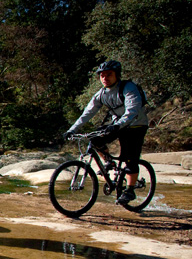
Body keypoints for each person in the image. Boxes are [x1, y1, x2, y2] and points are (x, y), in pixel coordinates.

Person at [64, 60, 149, 205]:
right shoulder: (101, 94)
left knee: (130, 158)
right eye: (102, 75)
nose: (105, 78)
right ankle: (109, 162)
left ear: (117, 75)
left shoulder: (128, 88)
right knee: (96, 139)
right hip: (118, 124)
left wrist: (117, 125)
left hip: (136, 125)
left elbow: (132, 110)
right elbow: (87, 113)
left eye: (109, 74)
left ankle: (130, 190)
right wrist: (72, 130)